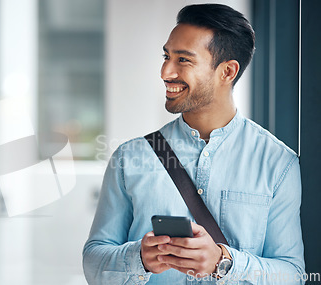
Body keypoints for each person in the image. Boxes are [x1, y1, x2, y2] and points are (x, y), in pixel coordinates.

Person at [83, 4, 305, 285]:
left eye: (183, 60)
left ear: (227, 72)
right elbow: (93, 262)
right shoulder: (129, 157)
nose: (165, 71)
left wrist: (223, 262)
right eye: (166, 56)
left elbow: (292, 274)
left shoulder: (277, 162)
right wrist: (139, 258)